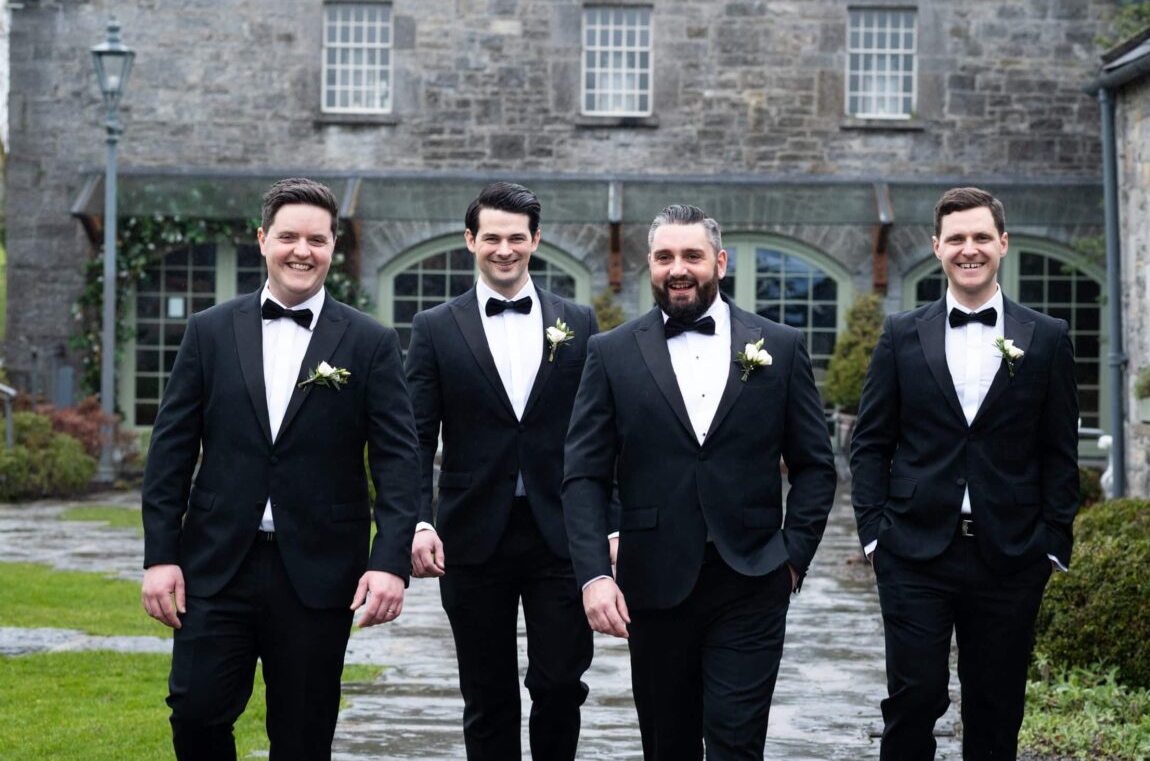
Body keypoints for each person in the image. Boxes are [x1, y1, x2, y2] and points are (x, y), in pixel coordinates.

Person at [140, 177, 419, 759]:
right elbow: (170, 451)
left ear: (333, 246)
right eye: (288, 236)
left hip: (319, 572)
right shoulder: (209, 331)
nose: (302, 250)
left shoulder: (370, 342)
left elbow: (398, 460)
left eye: (316, 239)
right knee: (195, 711)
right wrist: (161, 556)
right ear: (263, 239)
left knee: (304, 731)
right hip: (216, 566)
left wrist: (389, 561)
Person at [563, 204, 837, 761]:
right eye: (665, 257)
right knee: (669, 744)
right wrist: (594, 574)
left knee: (737, 741)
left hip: (754, 577)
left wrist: (793, 555)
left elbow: (815, 465)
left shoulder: (779, 347)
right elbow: (584, 476)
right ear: (650, 264)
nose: (678, 268)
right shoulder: (610, 353)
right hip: (655, 584)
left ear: (720, 261)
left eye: (692, 255)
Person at [850, 186, 1079, 761]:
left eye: (981, 237)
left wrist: (1053, 542)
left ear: (1002, 244)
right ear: (937, 248)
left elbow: (1059, 451)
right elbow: (871, 444)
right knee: (913, 698)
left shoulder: (1046, 337)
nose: (968, 249)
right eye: (956, 239)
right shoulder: (902, 335)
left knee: (997, 705)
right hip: (914, 550)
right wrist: (876, 533)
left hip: (1011, 553)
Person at [405, 182, 605, 761]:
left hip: (560, 534)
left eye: (517, 237)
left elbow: (602, 438)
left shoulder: (580, 321)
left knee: (560, 684)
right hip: (471, 535)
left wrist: (608, 524)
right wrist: (418, 521)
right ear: (471, 240)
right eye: (491, 237)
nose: (504, 249)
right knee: (486, 692)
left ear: (535, 241)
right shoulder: (435, 328)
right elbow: (415, 437)